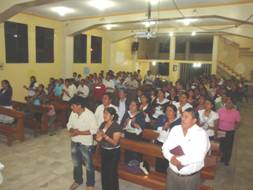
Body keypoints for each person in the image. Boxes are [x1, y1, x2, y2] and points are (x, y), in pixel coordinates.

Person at [162, 108, 210, 190]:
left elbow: (199, 156)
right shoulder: (175, 129)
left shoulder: (201, 134)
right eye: (182, 116)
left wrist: (178, 161)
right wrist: (170, 157)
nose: (182, 119)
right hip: (172, 173)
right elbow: (165, 147)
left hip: (190, 177)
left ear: (194, 120)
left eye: (186, 117)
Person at [67, 96, 99, 190]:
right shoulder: (73, 113)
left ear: (79, 106)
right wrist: (72, 130)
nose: (71, 108)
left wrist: (79, 132)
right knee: (76, 163)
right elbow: (69, 124)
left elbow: (94, 130)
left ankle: (90, 184)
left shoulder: (90, 115)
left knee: (89, 165)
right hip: (74, 142)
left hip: (85, 144)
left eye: (73, 106)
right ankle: (78, 180)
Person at [96, 107, 122, 190]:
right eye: (104, 113)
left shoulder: (116, 126)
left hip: (113, 153)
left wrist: (105, 136)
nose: (104, 115)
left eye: (106, 113)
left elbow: (115, 143)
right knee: (104, 172)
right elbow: (98, 138)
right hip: (104, 150)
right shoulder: (103, 124)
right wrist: (102, 132)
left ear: (112, 116)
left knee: (111, 173)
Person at [155, 104, 181, 173]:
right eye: (166, 110)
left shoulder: (178, 122)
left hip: (171, 146)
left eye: (170, 110)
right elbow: (156, 130)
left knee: (167, 164)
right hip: (160, 142)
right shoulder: (162, 118)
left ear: (175, 112)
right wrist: (163, 127)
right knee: (159, 163)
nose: (168, 112)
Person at [218, 96, 240, 166]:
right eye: (227, 103)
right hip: (221, 130)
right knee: (221, 145)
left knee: (229, 146)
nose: (228, 104)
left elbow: (238, 122)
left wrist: (234, 128)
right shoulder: (220, 110)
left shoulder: (236, 112)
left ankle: (227, 160)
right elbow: (217, 120)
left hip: (230, 131)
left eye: (230, 103)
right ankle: (221, 158)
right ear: (225, 103)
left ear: (233, 104)